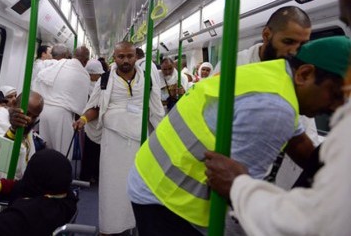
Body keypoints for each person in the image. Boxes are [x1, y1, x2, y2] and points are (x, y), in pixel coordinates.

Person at [127, 36, 350, 236]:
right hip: (166, 199)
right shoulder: (276, 109)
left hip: (151, 172)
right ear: (304, 74)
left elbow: (298, 139)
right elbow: (238, 201)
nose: (337, 108)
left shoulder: (274, 73)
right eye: (336, 95)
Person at [204, 0, 351, 235]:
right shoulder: (234, 66)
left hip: (276, 163)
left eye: (301, 44)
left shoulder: (298, 76)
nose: (294, 51)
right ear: (266, 36)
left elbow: (302, 123)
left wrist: (318, 157)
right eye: (288, 42)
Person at [73, 41, 165, 235]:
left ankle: (134, 223)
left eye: (129, 56)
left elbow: (156, 112)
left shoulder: (147, 80)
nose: (125, 60)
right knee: (112, 188)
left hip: (139, 143)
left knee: (138, 185)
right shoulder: (105, 80)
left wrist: (165, 137)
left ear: (136, 57)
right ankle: (109, 228)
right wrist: (82, 119)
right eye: (121, 56)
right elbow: (95, 107)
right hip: (113, 143)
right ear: (114, 58)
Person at [33, 46, 90, 159]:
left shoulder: (59, 64)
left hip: (44, 112)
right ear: (86, 61)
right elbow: (81, 105)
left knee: (46, 149)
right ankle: (60, 175)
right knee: (63, 153)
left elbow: (41, 77)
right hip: (62, 115)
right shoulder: (83, 73)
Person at [79, 59, 104, 183]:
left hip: (95, 122)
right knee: (93, 152)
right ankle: (90, 176)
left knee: (94, 152)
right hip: (91, 122)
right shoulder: (88, 86)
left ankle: (91, 175)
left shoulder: (99, 85)